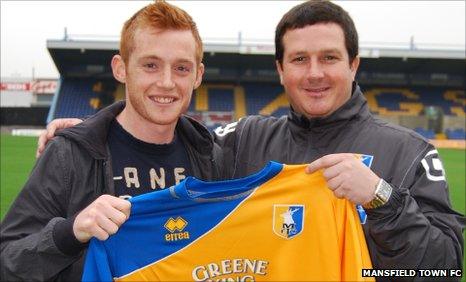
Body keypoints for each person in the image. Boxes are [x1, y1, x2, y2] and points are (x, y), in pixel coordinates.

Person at [36, 0, 465, 278]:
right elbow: (169, 132)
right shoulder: (247, 137)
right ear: (281, 71)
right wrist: (97, 128)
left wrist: (381, 198)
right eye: (299, 59)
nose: (314, 73)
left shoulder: (411, 153)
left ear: (353, 65)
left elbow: (444, 267)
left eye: (329, 58)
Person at [0, 1, 223, 280]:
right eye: (151, 65)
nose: (166, 82)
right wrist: (70, 232)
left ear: (198, 75)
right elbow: (7, 262)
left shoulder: (214, 156)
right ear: (121, 68)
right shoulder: (69, 155)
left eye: (181, 68)